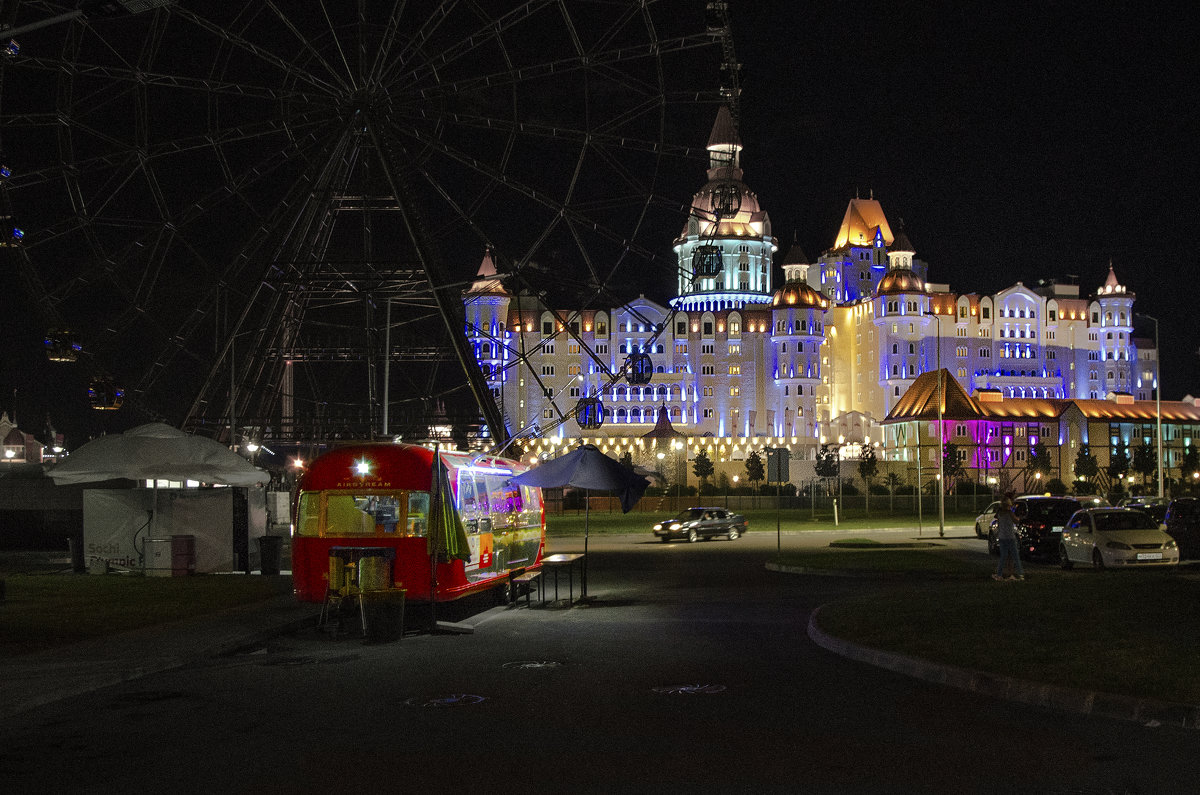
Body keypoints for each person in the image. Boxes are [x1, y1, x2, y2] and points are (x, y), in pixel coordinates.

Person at [993, 493, 1025, 581]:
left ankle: (999, 574)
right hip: (1010, 537)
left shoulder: (999, 513)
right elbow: (1016, 521)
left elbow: (999, 523)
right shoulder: (1009, 513)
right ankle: (1020, 573)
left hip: (1002, 536)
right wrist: (1020, 518)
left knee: (1003, 556)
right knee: (1015, 556)